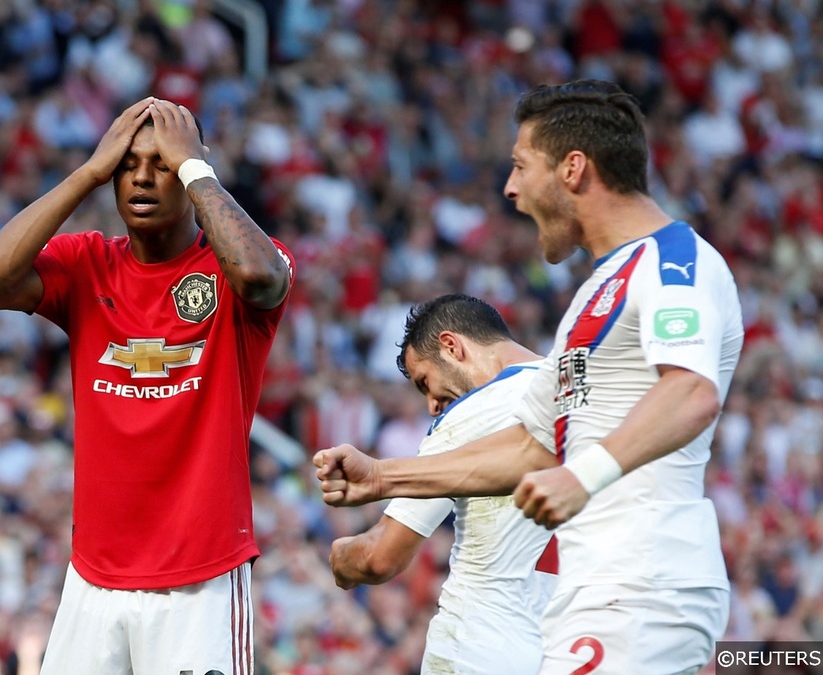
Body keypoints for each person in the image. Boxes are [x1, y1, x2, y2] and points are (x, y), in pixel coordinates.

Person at [315, 79, 744, 674]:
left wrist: (582, 475)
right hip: (585, 597)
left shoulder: (675, 264)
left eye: (521, 166)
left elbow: (691, 392)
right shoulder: (595, 296)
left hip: (642, 584)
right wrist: (384, 476)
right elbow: (529, 448)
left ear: (573, 168)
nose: (510, 188)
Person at [0, 97, 294, 675]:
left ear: (194, 169)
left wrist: (195, 170)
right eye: (126, 164)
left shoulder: (240, 264)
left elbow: (263, 280)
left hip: (201, 577)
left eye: (161, 163)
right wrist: (89, 171)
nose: (141, 177)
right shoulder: (85, 263)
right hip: (93, 577)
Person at [328, 293, 558, 674]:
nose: (432, 405)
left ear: (452, 346)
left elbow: (378, 557)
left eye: (425, 382)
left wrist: (340, 556)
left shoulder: (472, 412)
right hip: (575, 649)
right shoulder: (580, 392)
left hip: (480, 647)